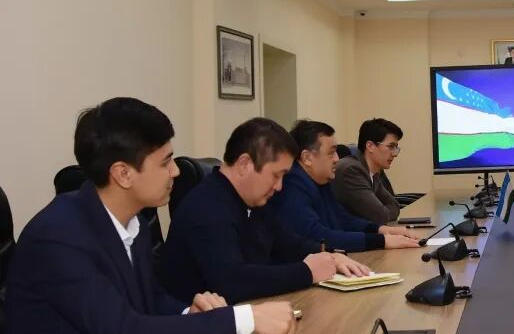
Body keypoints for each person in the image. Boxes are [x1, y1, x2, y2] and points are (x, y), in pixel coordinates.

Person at [0, 99, 296, 334]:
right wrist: (244, 320)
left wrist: (189, 313)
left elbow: (150, 298)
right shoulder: (58, 236)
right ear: (123, 174)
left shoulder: (135, 221)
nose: (176, 171)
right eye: (165, 162)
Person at [161, 118, 371, 304]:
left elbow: (285, 242)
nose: (279, 186)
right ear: (245, 164)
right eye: (276, 175)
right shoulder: (207, 207)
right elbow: (232, 281)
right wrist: (307, 272)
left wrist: (327, 255)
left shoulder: (252, 201)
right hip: (201, 330)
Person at [268, 120, 420, 252]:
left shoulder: (321, 180)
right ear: (307, 158)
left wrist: (381, 230)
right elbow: (319, 236)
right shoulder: (291, 185)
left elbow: (344, 219)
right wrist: (381, 241)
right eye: (331, 153)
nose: (337, 159)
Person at [333, 118, 404, 225]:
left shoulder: (373, 172)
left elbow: (394, 206)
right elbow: (380, 215)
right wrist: (382, 213)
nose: (395, 154)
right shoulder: (351, 171)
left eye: (396, 148)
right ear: (370, 146)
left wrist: (383, 213)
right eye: (391, 146)